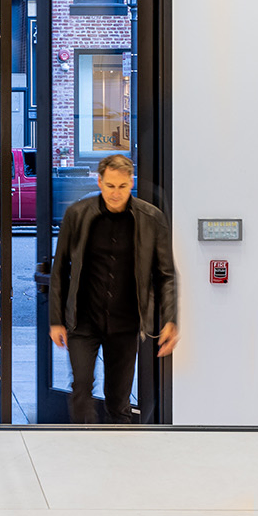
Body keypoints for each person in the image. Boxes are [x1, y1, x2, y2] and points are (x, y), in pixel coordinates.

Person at [48, 154, 179, 423]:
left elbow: (166, 275)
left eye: (121, 186)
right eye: (109, 186)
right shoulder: (78, 214)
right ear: (99, 181)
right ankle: (84, 452)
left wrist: (170, 320)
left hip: (126, 322)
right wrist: (56, 320)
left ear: (131, 183)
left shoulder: (151, 219)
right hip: (83, 321)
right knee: (81, 388)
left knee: (119, 400)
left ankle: (120, 458)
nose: (115, 193)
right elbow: (59, 269)